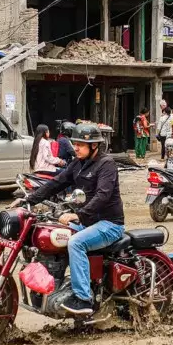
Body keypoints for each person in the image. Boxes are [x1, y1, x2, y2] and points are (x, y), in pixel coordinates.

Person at [15, 123, 124, 316]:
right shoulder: (77, 164)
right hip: (88, 223)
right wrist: (27, 200)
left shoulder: (106, 164)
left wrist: (78, 214)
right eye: (75, 143)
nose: (76, 147)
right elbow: (56, 183)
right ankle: (55, 288)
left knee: (75, 243)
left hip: (109, 224)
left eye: (81, 144)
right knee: (55, 234)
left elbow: (103, 195)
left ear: (94, 146)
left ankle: (82, 299)